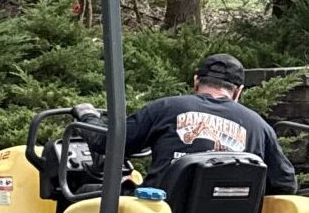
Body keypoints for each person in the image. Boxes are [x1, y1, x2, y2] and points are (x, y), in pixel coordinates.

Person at [109, 53, 297, 194]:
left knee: (90, 189)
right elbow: (285, 184)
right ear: (238, 91)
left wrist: (87, 118)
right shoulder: (259, 127)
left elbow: (110, 144)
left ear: (196, 81)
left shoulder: (165, 108)